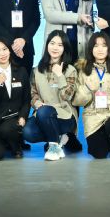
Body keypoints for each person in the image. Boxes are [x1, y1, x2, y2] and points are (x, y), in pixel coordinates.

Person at [23, 31, 79, 161]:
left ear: (64, 48)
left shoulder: (70, 70)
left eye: (60, 45)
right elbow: (33, 93)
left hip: (65, 115)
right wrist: (36, 103)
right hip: (42, 113)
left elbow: (67, 97)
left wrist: (60, 76)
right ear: (47, 45)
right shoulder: (37, 70)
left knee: (44, 112)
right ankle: (59, 139)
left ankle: (54, 146)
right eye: (52, 43)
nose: (55, 47)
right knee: (27, 132)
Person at [0, 37, 31, 160]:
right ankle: (4, 142)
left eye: (5, 49)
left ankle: (16, 146)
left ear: (9, 50)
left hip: (14, 118)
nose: (3, 53)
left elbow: (26, 99)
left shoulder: (21, 71)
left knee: (7, 130)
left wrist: (23, 116)